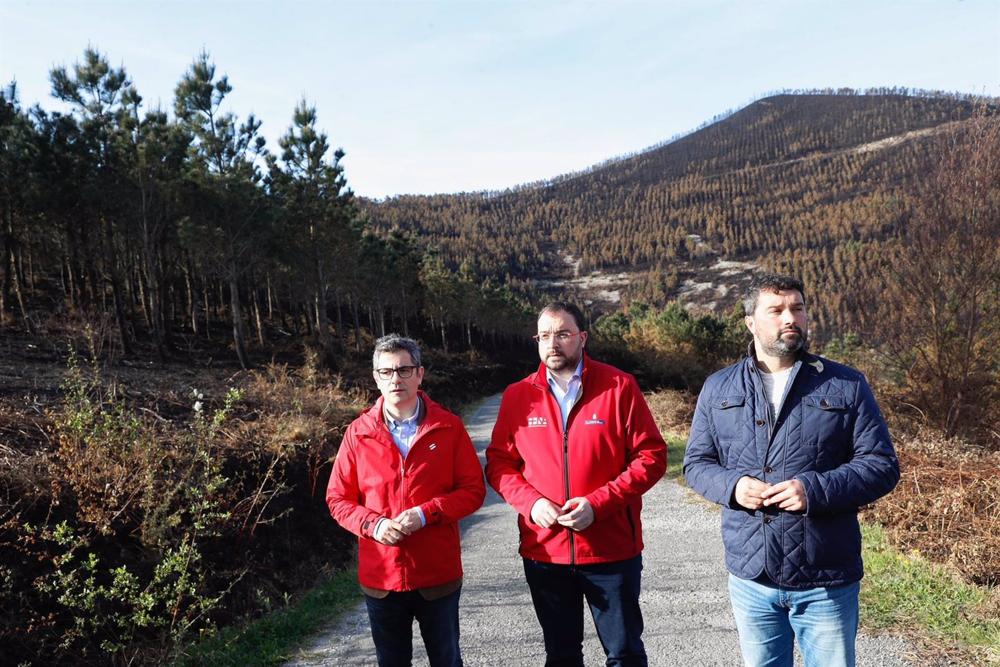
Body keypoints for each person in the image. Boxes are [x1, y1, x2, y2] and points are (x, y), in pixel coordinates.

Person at [683, 273, 900, 667]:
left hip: (826, 577)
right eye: (777, 310)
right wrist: (733, 487)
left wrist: (813, 490)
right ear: (751, 322)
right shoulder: (719, 387)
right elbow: (696, 464)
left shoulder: (846, 384)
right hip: (751, 575)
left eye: (797, 309)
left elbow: (882, 465)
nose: (790, 318)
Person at [486, 301, 667, 667]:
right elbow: (500, 464)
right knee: (562, 654)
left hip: (611, 550)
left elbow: (651, 457)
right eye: (544, 336)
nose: (553, 343)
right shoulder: (518, 395)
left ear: (582, 338)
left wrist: (598, 504)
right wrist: (532, 504)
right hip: (545, 552)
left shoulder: (619, 387)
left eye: (563, 334)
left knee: (625, 654)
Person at [326, 334, 485, 667]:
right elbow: (338, 498)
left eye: (403, 369)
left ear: (420, 374)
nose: (395, 378)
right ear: (376, 378)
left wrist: (427, 514)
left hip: (437, 576)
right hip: (382, 579)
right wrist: (373, 524)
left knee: (447, 660)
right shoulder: (358, 433)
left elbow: (473, 491)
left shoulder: (449, 427)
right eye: (386, 372)